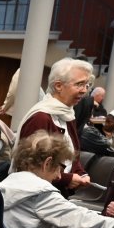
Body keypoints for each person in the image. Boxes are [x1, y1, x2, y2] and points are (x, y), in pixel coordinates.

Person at [0, 131, 114, 228]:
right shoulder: (41, 195)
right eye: (60, 168)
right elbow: (86, 221)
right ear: (47, 163)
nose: (59, 176)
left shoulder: (4, 186)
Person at [17, 57, 92, 195]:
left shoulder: (68, 114)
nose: (84, 91)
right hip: (37, 195)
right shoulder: (41, 117)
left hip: (57, 192)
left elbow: (72, 156)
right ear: (58, 86)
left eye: (87, 85)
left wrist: (80, 174)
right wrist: (67, 179)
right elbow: (29, 166)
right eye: (79, 84)